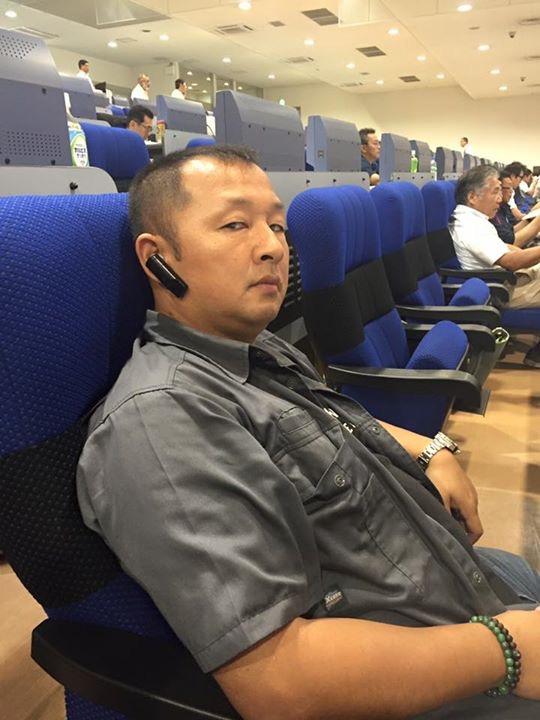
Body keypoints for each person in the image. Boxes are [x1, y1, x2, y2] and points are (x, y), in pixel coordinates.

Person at [77, 146, 540, 720]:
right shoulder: (162, 422)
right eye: (235, 225)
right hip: (413, 673)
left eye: (277, 225)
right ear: (158, 259)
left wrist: (432, 448)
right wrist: (509, 651)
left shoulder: (255, 347)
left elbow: (329, 422)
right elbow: (280, 682)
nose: (274, 247)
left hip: (443, 589)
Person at [449, 164, 540, 366]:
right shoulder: (470, 226)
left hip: (503, 282)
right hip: (498, 292)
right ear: (472, 197)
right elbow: (510, 261)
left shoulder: (476, 219)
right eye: (495, 191)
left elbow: (506, 248)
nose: (500, 198)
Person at [491, 170, 540, 248]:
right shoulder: (491, 214)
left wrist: (531, 218)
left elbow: (511, 232)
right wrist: (537, 221)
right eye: (508, 188)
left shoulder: (504, 206)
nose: (511, 191)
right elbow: (511, 243)